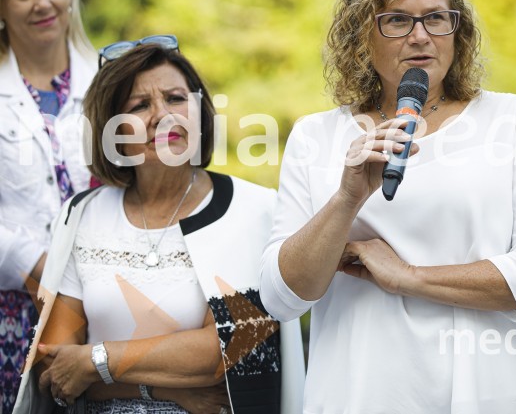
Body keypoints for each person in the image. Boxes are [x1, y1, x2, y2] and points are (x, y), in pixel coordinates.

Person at [259, 0, 516, 413]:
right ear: (362, 33)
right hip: (361, 393)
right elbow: (281, 298)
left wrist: (409, 277)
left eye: (435, 18)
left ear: (456, 29)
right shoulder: (316, 136)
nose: (421, 36)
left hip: (487, 393)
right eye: (398, 20)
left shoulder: (508, 119)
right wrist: (347, 198)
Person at [14, 42, 304, 413]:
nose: (162, 115)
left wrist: (93, 362)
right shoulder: (81, 216)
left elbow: (226, 350)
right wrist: (167, 391)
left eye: (175, 99)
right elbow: (54, 367)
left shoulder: (252, 209)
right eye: (139, 106)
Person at [0, 0, 97, 411]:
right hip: (13, 314)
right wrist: (38, 267)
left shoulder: (109, 83)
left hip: (99, 308)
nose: (43, 2)